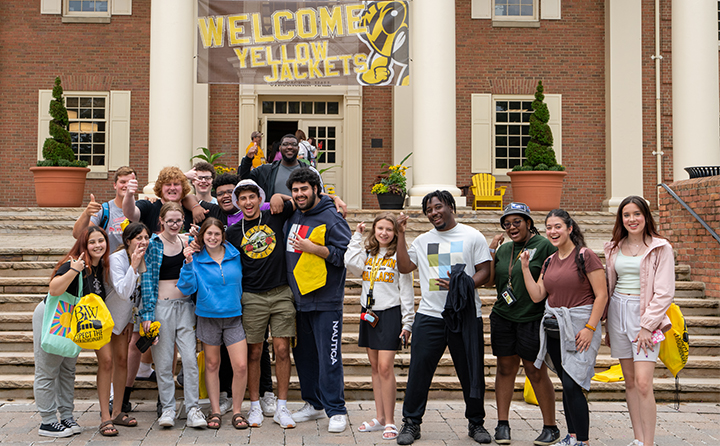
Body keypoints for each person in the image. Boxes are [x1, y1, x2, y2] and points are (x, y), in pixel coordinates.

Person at [394, 190, 493, 445]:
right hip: (429, 315)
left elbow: (486, 270)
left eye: (438, 207)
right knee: (418, 371)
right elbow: (404, 267)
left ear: (450, 206)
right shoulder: (423, 240)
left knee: (471, 371)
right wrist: (402, 234)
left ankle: (476, 423)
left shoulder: (472, 236)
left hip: (465, 315)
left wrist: (462, 285)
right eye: (429, 210)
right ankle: (411, 423)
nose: (433, 213)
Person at [520, 209, 608, 446]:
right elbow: (538, 295)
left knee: (572, 384)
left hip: (581, 328)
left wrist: (590, 327)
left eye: (557, 226)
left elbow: (601, 295)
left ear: (569, 228)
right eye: (548, 227)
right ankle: (572, 436)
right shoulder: (549, 261)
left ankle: (584, 441)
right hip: (555, 329)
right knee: (566, 385)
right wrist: (526, 269)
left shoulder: (585, 255)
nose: (552, 231)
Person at [284, 167, 352, 433]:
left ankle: (336, 409)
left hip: (326, 301)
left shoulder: (332, 218)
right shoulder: (295, 213)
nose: (299, 194)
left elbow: (346, 255)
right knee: (305, 357)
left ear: (315, 189)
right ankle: (313, 404)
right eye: (295, 190)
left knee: (330, 357)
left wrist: (316, 249)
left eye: (304, 189)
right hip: (298, 301)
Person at [225, 180, 297, 429]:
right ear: (238, 202)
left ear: (259, 199)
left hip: (280, 292)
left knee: (281, 350)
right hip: (251, 296)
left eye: (251, 198)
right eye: (242, 198)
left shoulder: (274, 216)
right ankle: (254, 406)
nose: (247, 203)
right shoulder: (233, 232)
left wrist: (280, 195)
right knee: (254, 352)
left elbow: (297, 200)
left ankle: (282, 406)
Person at [486, 203, 559, 445]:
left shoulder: (544, 245)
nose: (511, 227)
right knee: (505, 369)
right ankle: (502, 424)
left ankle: (551, 426)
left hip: (532, 317)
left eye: (517, 222)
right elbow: (489, 281)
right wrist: (491, 252)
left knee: (535, 371)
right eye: (507, 224)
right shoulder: (505, 249)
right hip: (503, 317)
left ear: (529, 223)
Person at [604, 196, 674, 446]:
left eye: (636, 214)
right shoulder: (613, 247)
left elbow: (665, 292)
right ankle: (637, 438)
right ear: (620, 219)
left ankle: (649, 443)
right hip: (617, 312)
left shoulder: (660, 247)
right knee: (630, 381)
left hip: (645, 315)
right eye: (626, 215)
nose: (631, 219)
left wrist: (647, 325)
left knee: (644, 383)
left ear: (646, 216)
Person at [32, 226, 109, 437]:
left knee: (67, 371)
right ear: (84, 244)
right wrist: (74, 270)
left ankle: (66, 417)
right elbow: (54, 289)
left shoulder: (100, 267)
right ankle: (47, 422)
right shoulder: (73, 263)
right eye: (92, 242)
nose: (97, 245)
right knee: (47, 371)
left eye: (100, 241)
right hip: (54, 317)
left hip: (72, 322)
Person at [344, 213, 415, 441]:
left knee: (385, 368)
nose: (384, 233)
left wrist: (408, 322)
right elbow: (350, 263)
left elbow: (406, 290)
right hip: (368, 314)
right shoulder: (368, 253)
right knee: (374, 368)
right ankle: (380, 417)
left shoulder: (399, 256)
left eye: (389, 229)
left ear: (395, 232)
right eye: (380, 228)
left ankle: (392, 421)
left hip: (390, 313)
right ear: (374, 230)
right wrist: (357, 236)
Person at [139, 202, 206, 429]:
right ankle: (168, 408)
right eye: (170, 221)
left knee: (189, 359)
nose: (175, 224)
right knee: (164, 362)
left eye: (178, 221)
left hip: (186, 307)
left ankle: (193, 408)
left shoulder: (187, 242)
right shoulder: (153, 245)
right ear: (161, 221)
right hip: (161, 308)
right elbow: (147, 282)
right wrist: (146, 314)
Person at [178, 218, 248, 430]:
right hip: (208, 317)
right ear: (202, 237)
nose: (213, 238)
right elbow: (186, 288)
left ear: (222, 236)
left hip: (234, 317)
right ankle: (215, 410)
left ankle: (237, 411)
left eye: (217, 234)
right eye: (208, 234)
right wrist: (188, 264)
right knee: (211, 365)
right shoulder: (196, 257)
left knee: (241, 366)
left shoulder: (235, 254)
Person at [106, 222, 149, 419]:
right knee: (111, 361)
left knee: (122, 360)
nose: (143, 242)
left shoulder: (145, 257)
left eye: (146, 238)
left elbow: (141, 291)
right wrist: (133, 265)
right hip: (110, 318)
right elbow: (123, 291)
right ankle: (109, 402)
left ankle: (118, 404)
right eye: (138, 238)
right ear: (128, 240)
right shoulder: (117, 259)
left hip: (127, 318)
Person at [122, 166, 204, 234]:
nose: (172, 188)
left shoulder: (192, 211)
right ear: (160, 188)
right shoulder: (149, 207)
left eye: (176, 184)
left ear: (183, 188)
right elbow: (130, 214)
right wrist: (129, 194)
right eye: (168, 184)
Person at [72, 166, 136, 253]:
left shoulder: (141, 209)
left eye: (130, 182)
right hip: (108, 264)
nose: (126, 185)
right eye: (122, 182)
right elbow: (78, 235)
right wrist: (86, 214)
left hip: (135, 263)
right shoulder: (104, 210)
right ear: (115, 185)